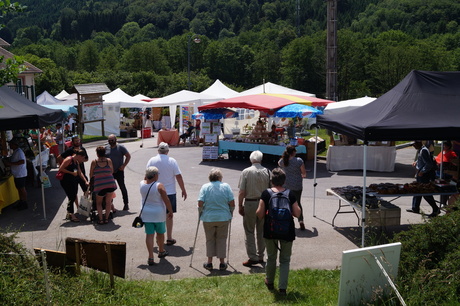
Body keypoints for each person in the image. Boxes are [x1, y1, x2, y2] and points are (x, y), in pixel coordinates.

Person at [256, 167, 301, 296]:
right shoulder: (290, 194)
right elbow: (297, 213)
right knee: (285, 260)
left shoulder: (266, 193)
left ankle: (269, 281)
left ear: (271, 180)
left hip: (270, 230)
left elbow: (259, 214)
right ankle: (282, 288)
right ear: (284, 180)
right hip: (287, 231)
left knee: (271, 257)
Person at [146, 142, 187, 246]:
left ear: (158, 150)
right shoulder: (172, 161)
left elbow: (146, 176)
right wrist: (183, 189)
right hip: (170, 192)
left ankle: (158, 236)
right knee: (169, 215)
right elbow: (178, 176)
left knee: (157, 214)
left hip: (155, 190)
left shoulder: (151, 160)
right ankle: (169, 237)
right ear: (167, 151)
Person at [238, 150, 271, 267]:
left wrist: (240, 205)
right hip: (263, 202)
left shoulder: (246, 172)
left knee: (249, 230)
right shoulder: (267, 171)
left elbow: (242, 191)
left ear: (251, 159)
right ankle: (261, 255)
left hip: (250, 203)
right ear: (261, 159)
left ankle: (253, 257)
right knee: (261, 231)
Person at [198, 168, 235, 271]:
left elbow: (200, 202)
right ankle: (222, 263)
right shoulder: (226, 187)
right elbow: (232, 202)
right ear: (219, 177)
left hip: (208, 218)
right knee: (222, 239)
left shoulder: (205, 187)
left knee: (210, 239)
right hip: (223, 217)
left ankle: (209, 262)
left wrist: (200, 212)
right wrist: (231, 212)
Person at [140, 166, 174, 266]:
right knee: (160, 233)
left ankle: (150, 256)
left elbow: (145, 179)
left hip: (146, 214)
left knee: (149, 235)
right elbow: (166, 200)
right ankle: (161, 250)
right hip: (158, 214)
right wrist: (170, 211)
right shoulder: (159, 186)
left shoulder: (141, 184)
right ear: (155, 175)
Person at [407, 141, 440, 217]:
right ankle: (415, 207)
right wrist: (416, 162)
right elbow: (422, 159)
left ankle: (435, 209)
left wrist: (422, 171)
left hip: (424, 174)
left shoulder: (424, 150)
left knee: (425, 193)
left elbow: (429, 164)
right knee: (417, 190)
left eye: (414, 145)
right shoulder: (420, 150)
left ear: (418, 143)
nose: (413, 146)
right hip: (420, 173)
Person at [278, 145, 307, 230]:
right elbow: (304, 173)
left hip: (286, 185)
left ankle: (289, 220)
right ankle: (300, 220)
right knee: (298, 203)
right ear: (293, 152)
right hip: (297, 185)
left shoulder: (283, 161)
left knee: (287, 203)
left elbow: (279, 163)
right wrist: (302, 175)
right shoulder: (299, 161)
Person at [89, 146, 118, 224]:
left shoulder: (94, 162)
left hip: (100, 185)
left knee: (99, 203)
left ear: (97, 154)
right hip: (110, 184)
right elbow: (111, 171)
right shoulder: (109, 161)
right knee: (108, 202)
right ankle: (106, 219)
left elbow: (91, 174)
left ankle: (101, 219)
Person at [59, 150, 88, 222]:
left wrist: (85, 181)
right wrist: (71, 173)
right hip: (66, 181)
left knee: (74, 195)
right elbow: (61, 169)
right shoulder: (69, 159)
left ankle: (69, 213)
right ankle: (71, 215)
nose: (82, 160)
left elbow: (80, 172)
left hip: (73, 180)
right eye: (82, 158)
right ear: (79, 156)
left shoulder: (76, 162)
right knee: (71, 197)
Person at [106, 134, 131, 211]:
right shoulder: (106, 148)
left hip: (119, 171)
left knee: (122, 187)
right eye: (109, 140)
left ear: (116, 140)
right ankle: (111, 205)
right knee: (110, 189)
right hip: (110, 172)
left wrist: (123, 166)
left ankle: (126, 204)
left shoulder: (121, 147)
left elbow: (128, 156)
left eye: (112, 140)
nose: (111, 142)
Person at [5, 138, 28, 210]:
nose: (9, 145)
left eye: (11, 144)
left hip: (20, 174)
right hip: (17, 174)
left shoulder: (19, 152)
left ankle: (24, 202)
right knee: (19, 188)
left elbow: (22, 161)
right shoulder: (15, 151)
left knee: (22, 189)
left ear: (15, 145)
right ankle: (21, 201)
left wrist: (10, 163)